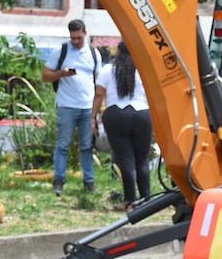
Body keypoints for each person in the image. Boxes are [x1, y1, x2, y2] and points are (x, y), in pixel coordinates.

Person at [42, 19, 102, 196]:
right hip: (66, 106)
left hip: (87, 107)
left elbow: (98, 81)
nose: (75, 41)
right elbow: (45, 76)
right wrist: (61, 73)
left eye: (79, 38)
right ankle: (58, 181)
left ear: (85, 33)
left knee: (86, 146)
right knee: (63, 145)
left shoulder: (94, 53)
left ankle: (89, 182)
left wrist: (99, 108)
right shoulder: (60, 51)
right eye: (73, 38)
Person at [91, 41, 152, 211]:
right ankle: (147, 200)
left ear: (118, 52)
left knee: (126, 158)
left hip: (116, 115)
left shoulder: (108, 70)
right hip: (142, 115)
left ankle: (130, 201)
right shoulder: (144, 70)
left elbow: (98, 94)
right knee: (142, 159)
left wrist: (93, 117)